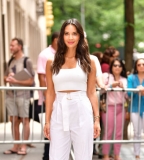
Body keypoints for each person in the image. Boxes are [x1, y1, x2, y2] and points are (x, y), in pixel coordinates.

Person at [43, 18, 101, 160]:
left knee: (83, 156)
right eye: (67, 33)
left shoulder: (89, 61)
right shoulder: (52, 61)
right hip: (59, 111)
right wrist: (47, 121)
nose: (70, 37)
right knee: (56, 156)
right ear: (62, 36)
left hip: (82, 109)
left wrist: (97, 119)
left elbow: (92, 92)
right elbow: (50, 93)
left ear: (80, 36)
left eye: (74, 33)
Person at [3, 38, 35, 155]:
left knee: (25, 120)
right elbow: (4, 78)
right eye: (10, 45)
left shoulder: (27, 61)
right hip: (11, 95)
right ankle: (15, 146)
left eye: (13, 46)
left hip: (23, 95)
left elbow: (31, 81)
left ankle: (23, 146)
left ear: (19, 47)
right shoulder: (10, 61)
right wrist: (8, 78)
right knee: (14, 121)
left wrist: (16, 80)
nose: (11, 48)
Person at [37, 31, 59, 160]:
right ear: (55, 40)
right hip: (49, 99)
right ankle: (47, 156)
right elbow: (41, 78)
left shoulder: (63, 54)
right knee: (49, 130)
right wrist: (46, 98)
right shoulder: (45, 55)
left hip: (60, 99)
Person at [101, 58, 127, 160]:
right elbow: (101, 89)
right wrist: (112, 85)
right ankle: (106, 155)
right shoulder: (106, 76)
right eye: (115, 65)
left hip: (121, 107)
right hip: (109, 107)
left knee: (119, 132)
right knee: (108, 131)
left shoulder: (124, 79)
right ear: (111, 67)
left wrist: (122, 87)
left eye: (119, 66)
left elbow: (127, 95)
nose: (117, 67)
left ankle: (117, 155)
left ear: (122, 68)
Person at [127, 58, 144, 160]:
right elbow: (128, 93)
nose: (141, 66)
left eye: (143, 64)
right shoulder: (131, 77)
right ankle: (137, 155)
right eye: (139, 64)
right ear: (136, 66)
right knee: (136, 132)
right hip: (134, 108)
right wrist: (137, 90)